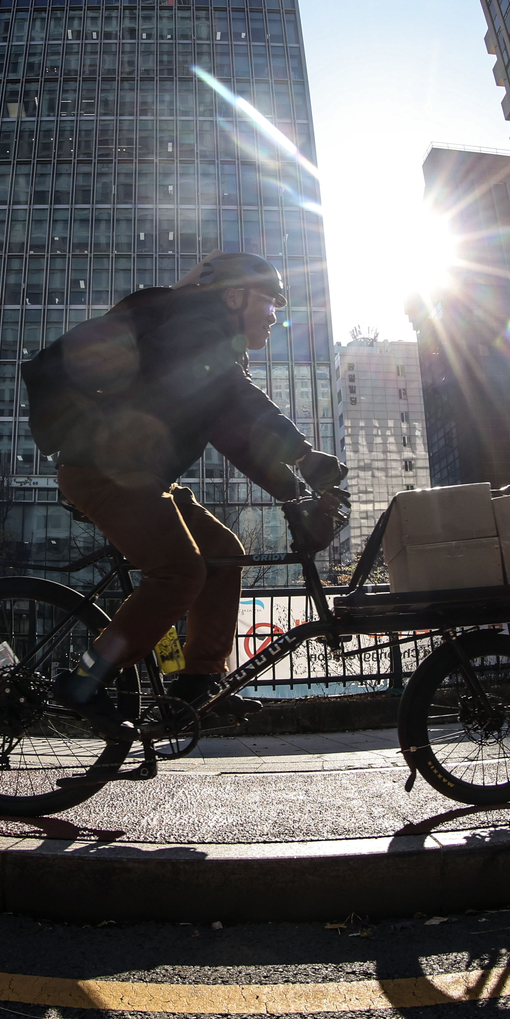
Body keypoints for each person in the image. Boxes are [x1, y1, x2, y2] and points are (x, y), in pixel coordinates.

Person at [38, 252, 347, 736]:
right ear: (233, 297)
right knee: (179, 572)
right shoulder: (194, 328)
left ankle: (198, 683)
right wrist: (304, 455)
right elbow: (240, 398)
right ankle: (84, 681)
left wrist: (293, 494)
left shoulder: (211, 348)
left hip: (142, 476)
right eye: (270, 302)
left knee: (224, 553)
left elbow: (237, 436)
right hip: (103, 471)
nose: (274, 316)